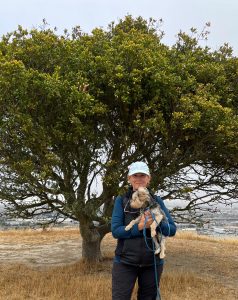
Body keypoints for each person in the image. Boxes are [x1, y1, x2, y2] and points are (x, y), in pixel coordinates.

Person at [111, 161, 176, 300]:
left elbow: (172, 229)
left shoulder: (157, 201)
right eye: (135, 175)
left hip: (152, 264)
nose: (139, 179)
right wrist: (140, 227)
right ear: (129, 178)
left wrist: (157, 224)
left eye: (143, 175)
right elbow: (116, 231)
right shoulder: (121, 200)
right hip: (124, 262)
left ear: (149, 179)